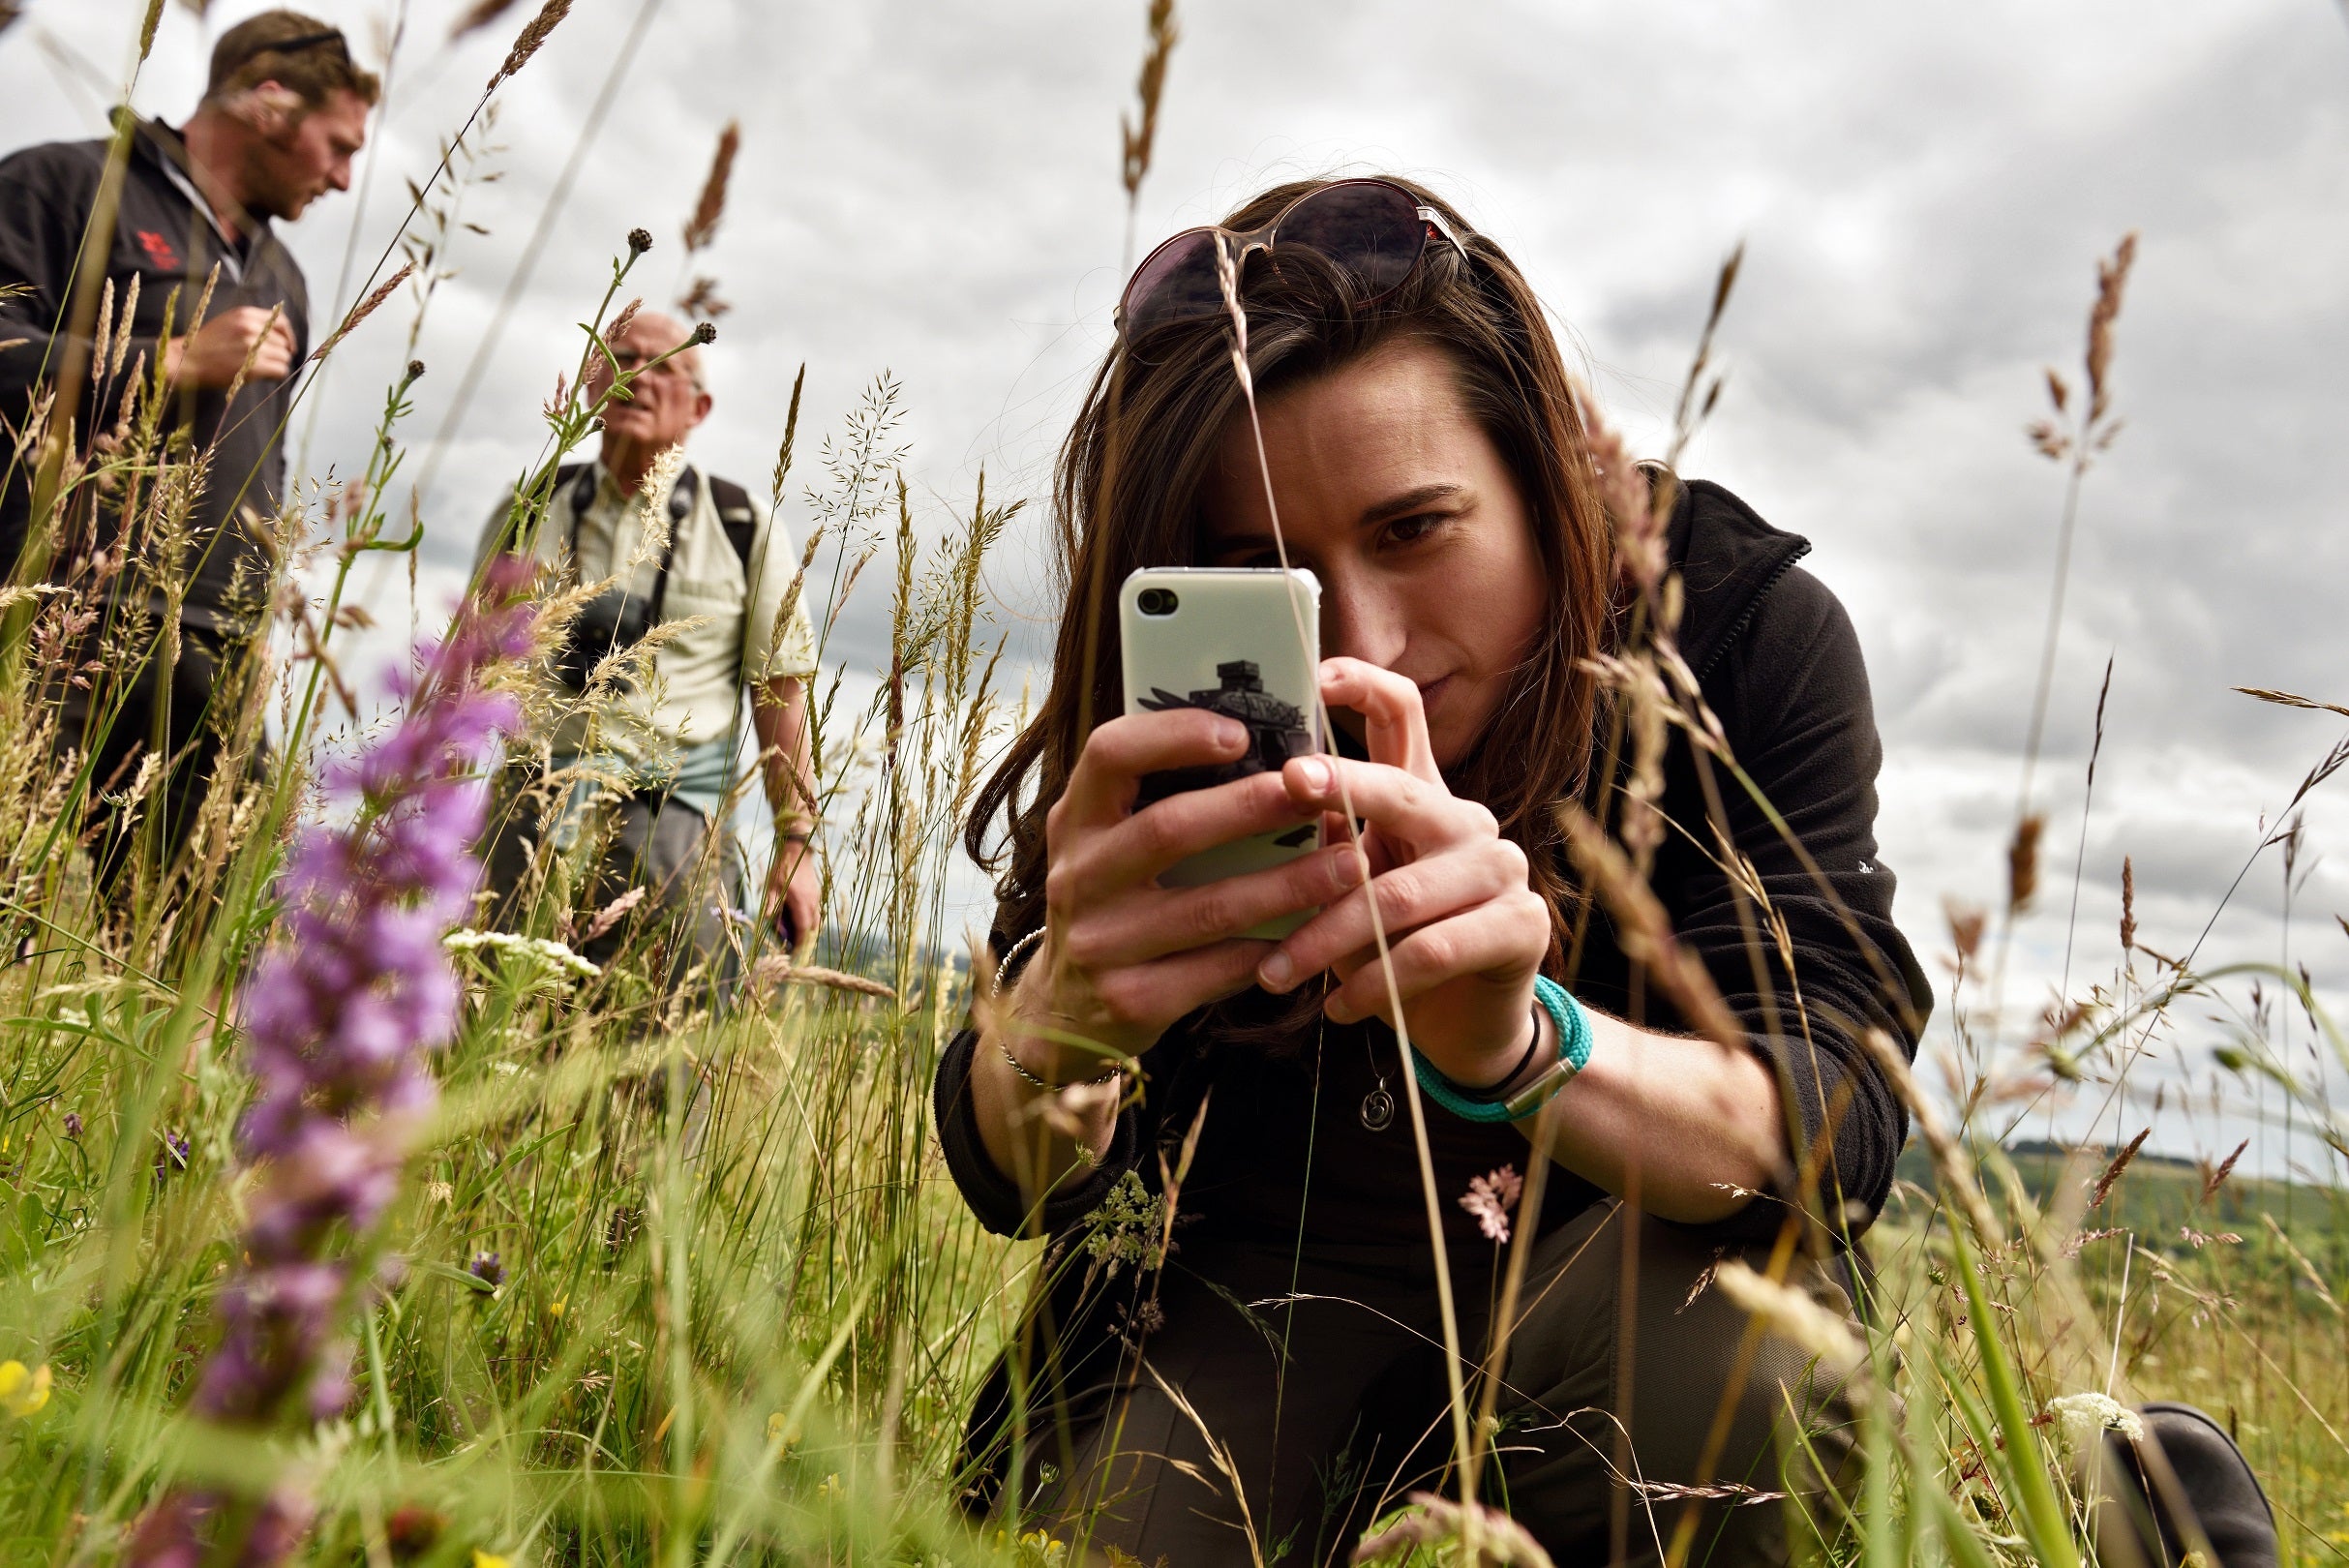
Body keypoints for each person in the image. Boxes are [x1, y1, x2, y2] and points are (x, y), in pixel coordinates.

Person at [931, 177, 1936, 1565]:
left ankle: (2108, 1498)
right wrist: (1057, 1033)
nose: (1367, 641)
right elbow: (1012, 1179)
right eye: (1270, 573)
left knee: (1739, 1373)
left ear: (1545, 481)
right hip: (1243, 1307)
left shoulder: (1732, 632)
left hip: (1616, 1303)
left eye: (1414, 529)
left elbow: (1830, 1124)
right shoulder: (1178, 703)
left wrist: (1525, 1046)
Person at [0, 10, 376, 890]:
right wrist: (165, 359)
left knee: (203, 929)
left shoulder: (281, 273)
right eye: (337, 145)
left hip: (216, 642)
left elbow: (263, 455)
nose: (343, 178)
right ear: (270, 103)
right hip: (55, 614)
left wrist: (262, 603)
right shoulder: (62, 184)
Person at [475, 309, 822, 987]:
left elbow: (779, 691)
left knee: (661, 1032)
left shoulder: (743, 526)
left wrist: (797, 844)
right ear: (590, 383)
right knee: (485, 1016)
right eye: (622, 356)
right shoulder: (532, 504)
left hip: (670, 819)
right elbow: (471, 663)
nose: (638, 375)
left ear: (699, 408)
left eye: (666, 366)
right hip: (527, 805)